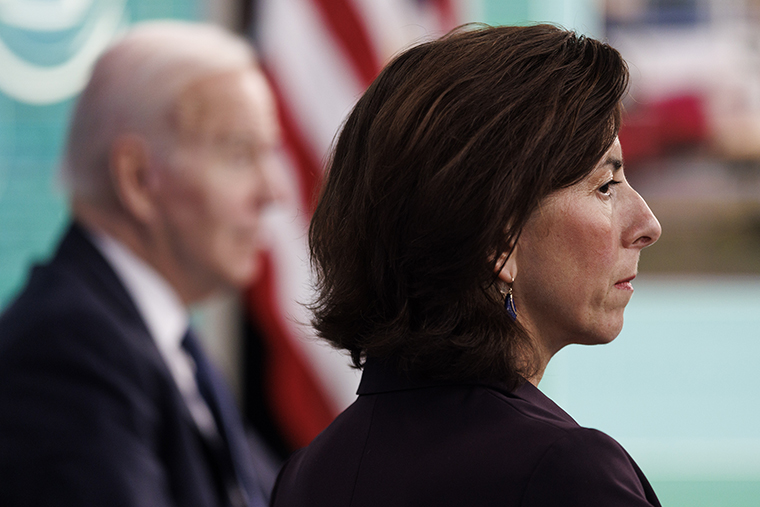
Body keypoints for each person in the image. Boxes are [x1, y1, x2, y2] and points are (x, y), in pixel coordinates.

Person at [271, 24, 663, 507]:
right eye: (606, 185)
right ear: (499, 241)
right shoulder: (565, 471)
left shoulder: (305, 475)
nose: (648, 224)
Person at [0, 21, 283, 506]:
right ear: (137, 178)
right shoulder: (69, 350)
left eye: (269, 155)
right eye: (240, 155)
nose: (271, 193)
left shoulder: (164, 342)